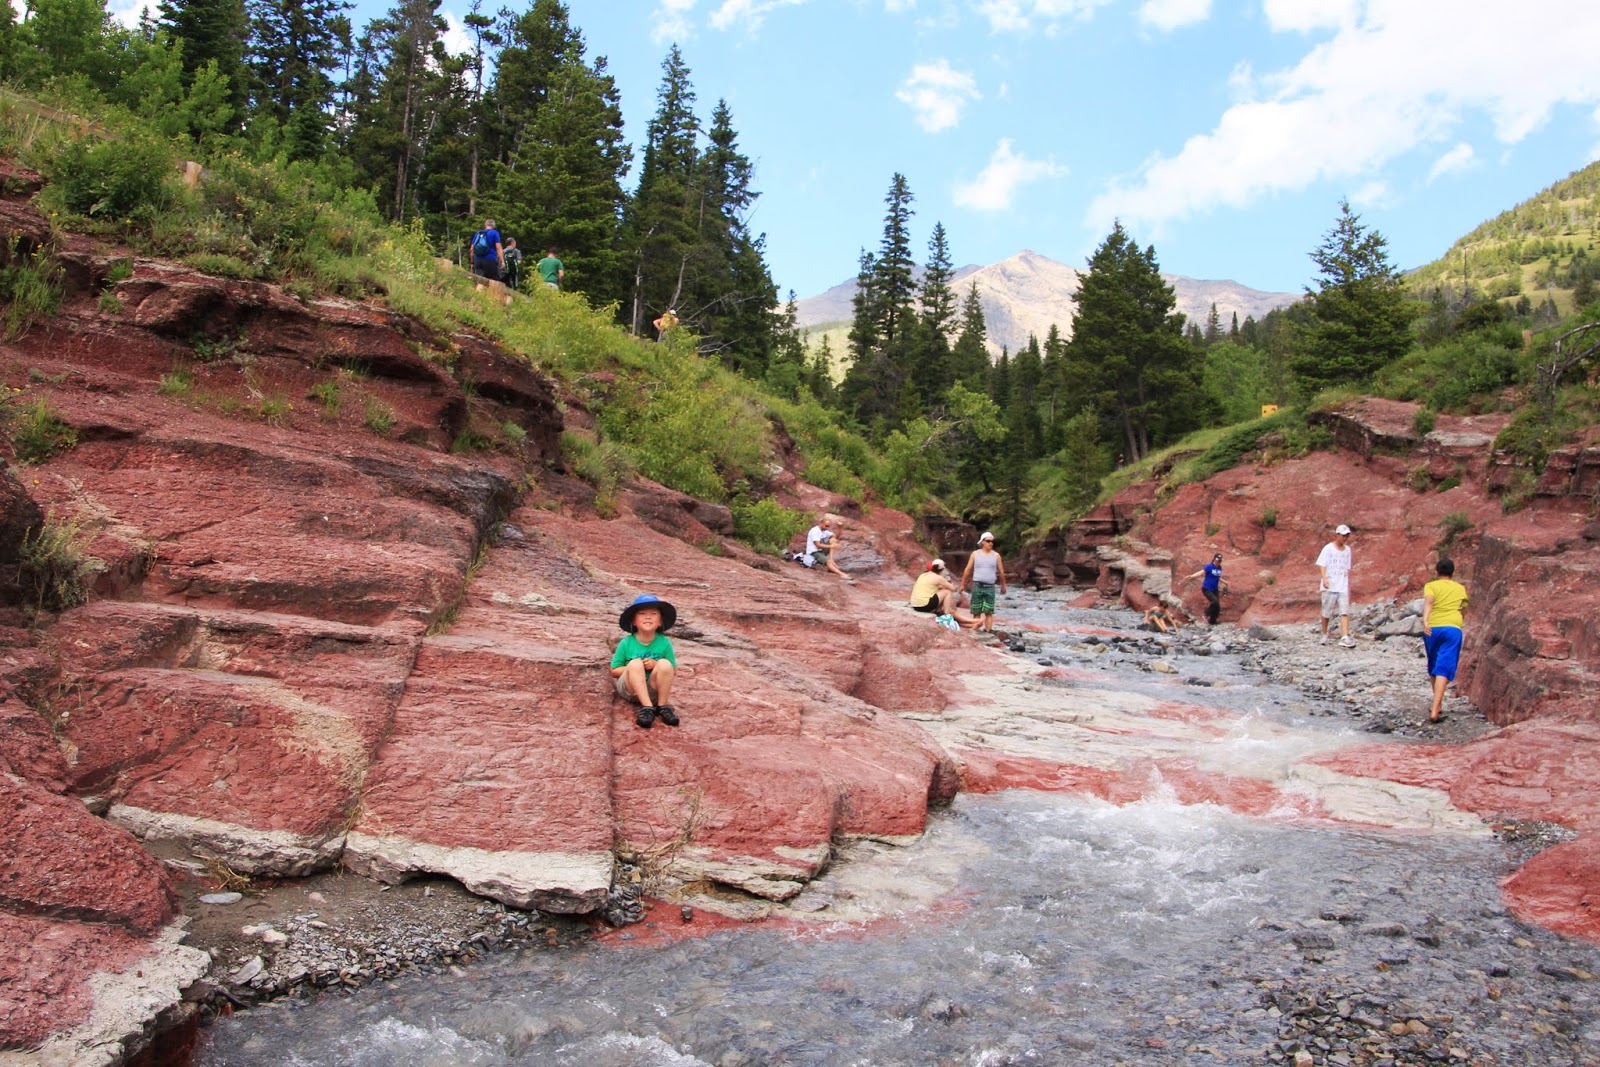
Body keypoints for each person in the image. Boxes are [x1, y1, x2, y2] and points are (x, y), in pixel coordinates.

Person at [610, 593, 680, 729]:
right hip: (631, 689)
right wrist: (633, 669)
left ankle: (662, 706)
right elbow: (614, 670)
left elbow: (673, 670)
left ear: (660, 621)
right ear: (634, 621)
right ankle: (647, 708)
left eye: (653, 613)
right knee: (635, 663)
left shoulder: (664, 643)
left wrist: (656, 665)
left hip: (652, 689)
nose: (648, 617)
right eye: (642, 613)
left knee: (664, 664)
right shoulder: (626, 643)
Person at [1421, 558, 1468, 724]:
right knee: (1444, 667)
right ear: (1452, 573)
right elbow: (1463, 609)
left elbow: (1429, 601)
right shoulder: (1460, 588)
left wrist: (1425, 620)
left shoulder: (1431, 585)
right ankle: (1435, 710)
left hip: (1432, 628)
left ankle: (1437, 704)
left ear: (1437, 572)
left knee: (1433, 666)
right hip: (1452, 628)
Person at [960, 531, 1007, 634]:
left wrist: (1003, 585)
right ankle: (976, 631)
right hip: (977, 585)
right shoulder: (975, 554)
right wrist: (963, 584)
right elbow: (968, 569)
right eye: (988, 541)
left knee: (989, 611)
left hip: (990, 586)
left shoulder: (996, 556)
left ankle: (988, 630)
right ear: (982, 542)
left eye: (992, 541)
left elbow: (1001, 571)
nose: (991, 543)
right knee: (976, 610)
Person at [909, 559, 978, 628]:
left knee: (946, 609)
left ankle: (972, 623)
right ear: (942, 570)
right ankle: (948, 616)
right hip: (925, 605)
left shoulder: (923, 575)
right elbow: (952, 588)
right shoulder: (938, 578)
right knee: (947, 592)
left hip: (915, 605)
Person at [1317, 524, 1355, 647]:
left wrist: (1346, 579)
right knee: (1326, 611)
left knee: (1345, 611)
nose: (1345, 538)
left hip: (1342, 585)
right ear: (1337, 535)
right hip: (1330, 584)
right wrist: (1324, 579)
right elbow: (1322, 564)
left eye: (1347, 536)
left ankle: (1345, 636)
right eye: (1343, 536)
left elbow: (1347, 567)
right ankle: (1324, 633)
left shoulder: (1348, 550)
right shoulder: (1328, 549)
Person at [803, 515, 854, 584]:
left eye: (828, 526)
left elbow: (836, 537)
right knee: (828, 560)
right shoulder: (815, 531)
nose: (827, 528)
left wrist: (840, 528)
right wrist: (831, 546)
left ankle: (831, 559)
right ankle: (841, 574)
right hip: (814, 552)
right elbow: (818, 545)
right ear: (821, 523)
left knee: (833, 540)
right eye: (826, 526)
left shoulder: (824, 531)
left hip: (821, 551)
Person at [1182, 553, 1229, 626]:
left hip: (1214, 589)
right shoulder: (1209, 567)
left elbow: (1217, 577)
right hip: (1207, 588)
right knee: (1215, 601)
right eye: (1217, 560)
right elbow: (1201, 573)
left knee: (1217, 606)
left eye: (1220, 561)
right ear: (1214, 559)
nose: (1218, 562)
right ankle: (1206, 614)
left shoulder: (1219, 568)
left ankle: (1212, 620)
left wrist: (1224, 582)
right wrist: (1192, 576)